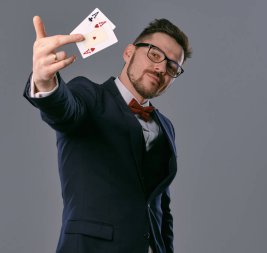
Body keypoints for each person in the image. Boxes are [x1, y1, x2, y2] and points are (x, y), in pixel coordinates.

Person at [24, 15, 191, 253]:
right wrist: (45, 82)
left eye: (172, 67)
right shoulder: (89, 95)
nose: (160, 68)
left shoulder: (166, 126)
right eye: (155, 54)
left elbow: (161, 206)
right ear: (129, 52)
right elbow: (63, 110)